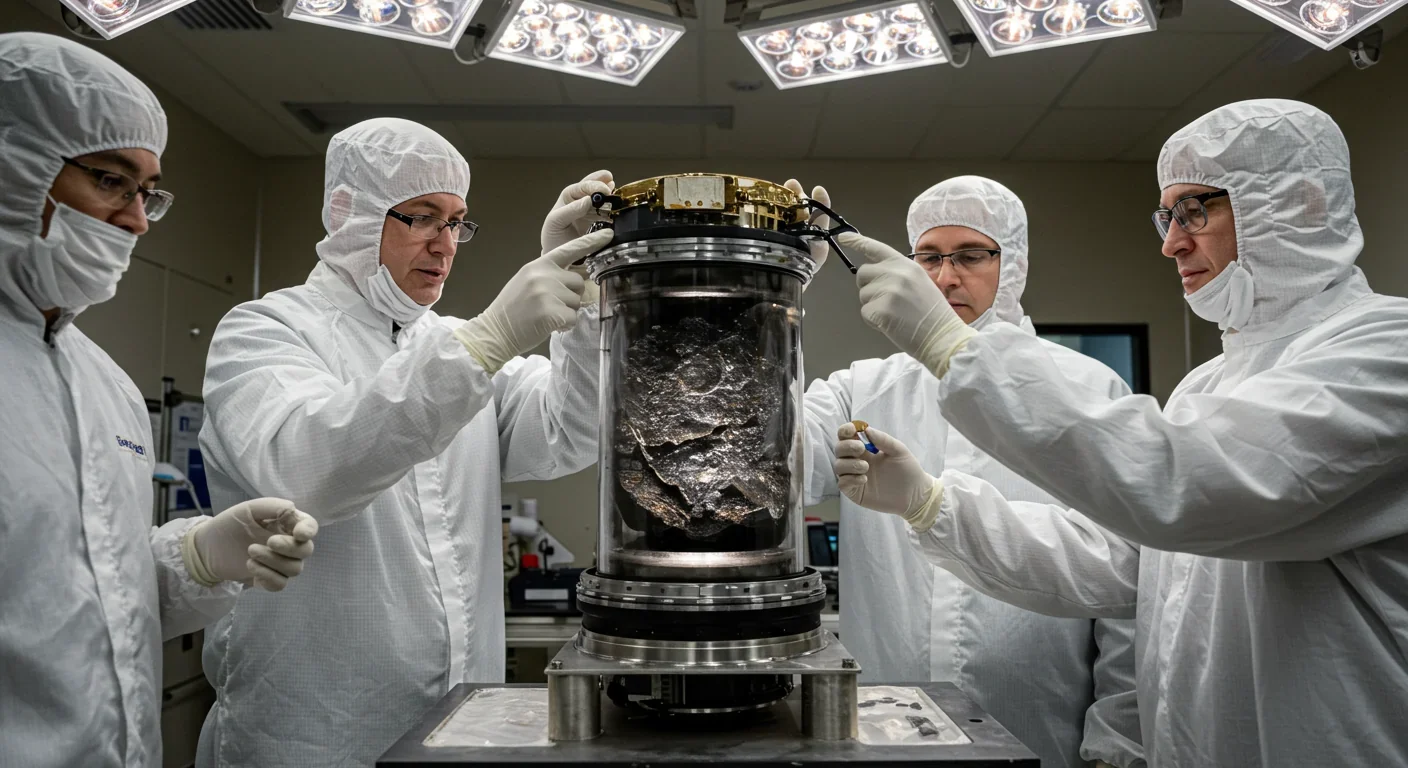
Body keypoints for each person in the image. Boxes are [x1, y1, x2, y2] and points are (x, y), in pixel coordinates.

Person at [832, 99, 1408, 766]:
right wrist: (930, 504)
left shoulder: (1385, 351)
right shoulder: (1208, 383)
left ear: (1303, 203)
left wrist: (949, 347)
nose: (1171, 242)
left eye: (1197, 210)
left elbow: (1186, 484)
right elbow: (1120, 565)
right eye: (1167, 217)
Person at [196, 118, 612, 767]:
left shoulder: (448, 345)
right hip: (313, 739)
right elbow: (311, 469)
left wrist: (586, 308)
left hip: (456, 733)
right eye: (421, 217)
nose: (445, 245)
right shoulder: (265, 332)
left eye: (456, 223)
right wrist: (487, 339)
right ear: (346, 213)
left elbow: (573, 428)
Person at [0, 32, 318, 768]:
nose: (138, 220)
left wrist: (200, 559)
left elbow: (84, 595)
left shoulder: (104, 384)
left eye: (147, 192)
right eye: (111, 181)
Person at [803, 177, 1143, 768]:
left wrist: (1117, 743)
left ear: (1011, 263)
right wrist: (777, 296)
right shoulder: (861, 389)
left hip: (1043, 730)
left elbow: (1126, 593)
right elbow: (770, 462)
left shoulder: (1088, 389)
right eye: (929, 257)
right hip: (884, 732)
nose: (944, 277)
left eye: (969, 255)